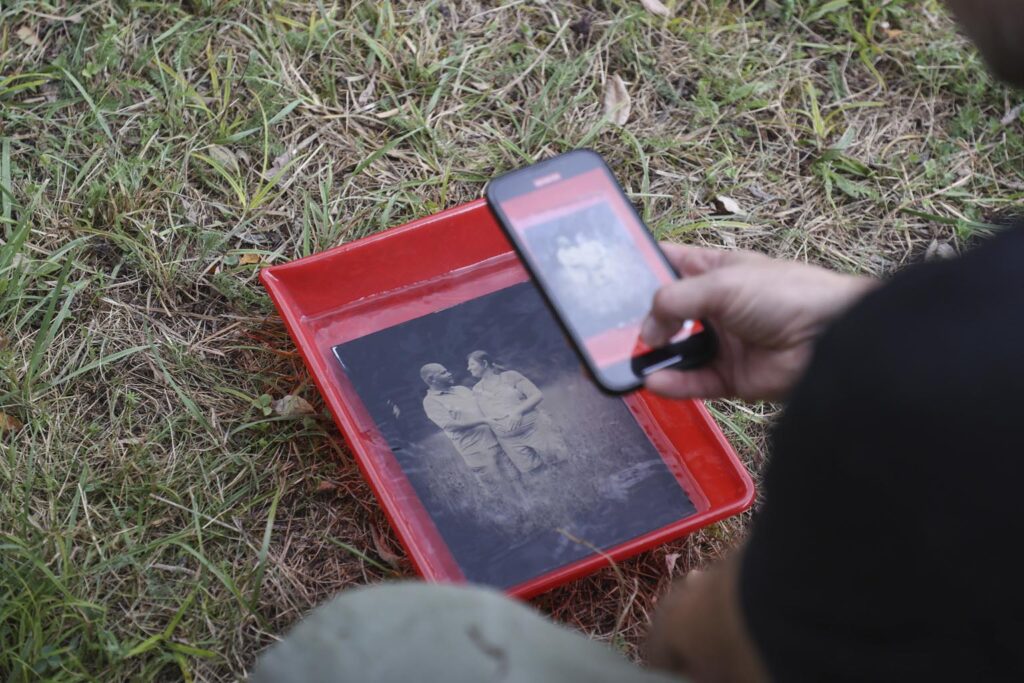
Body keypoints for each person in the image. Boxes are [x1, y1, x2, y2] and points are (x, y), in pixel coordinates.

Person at [254, 2, 1024, 680]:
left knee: (361, 645)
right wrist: (853, 323)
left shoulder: (916, 397)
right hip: (497, 440)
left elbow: (697, 647)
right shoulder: (947, 359)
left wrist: (880, 341)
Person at [419, 362, 519, 491]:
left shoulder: (462, 390)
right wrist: (483, 421)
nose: (449, 374)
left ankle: (529, 507)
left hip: (497, 443)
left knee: (516, 480)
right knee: (497, 490)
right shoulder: (430, 402)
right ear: (431, 379)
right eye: (443, 373)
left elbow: (486, 404)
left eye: (447, 370)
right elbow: (450, 426)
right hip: (476, 452)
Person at [467, 351, 567, 473]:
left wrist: (517, 412)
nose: (468, 368)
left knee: (559, 463)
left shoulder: (510, 376)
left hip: (535, 430)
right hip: (509, 441)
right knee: (536, 474)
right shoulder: (476, 389)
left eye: (472, 364)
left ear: (484, 363)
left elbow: (536, 395)